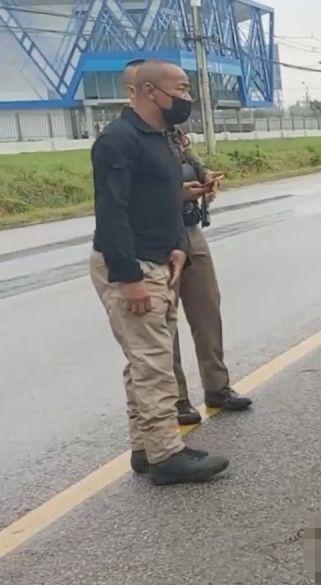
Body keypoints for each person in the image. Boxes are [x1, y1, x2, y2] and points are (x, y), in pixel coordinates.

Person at [89, 59, 228, 485]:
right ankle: (167, 455)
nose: (187, 97)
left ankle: (145, 449)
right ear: (150, 91)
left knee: (145, 361)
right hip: (134, 265)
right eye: (181, 89)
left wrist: (179, 247)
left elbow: (163, 197)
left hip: (162, 258)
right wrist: (128, 276)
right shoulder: (118, 140)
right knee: (153, 364)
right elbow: (111, 213)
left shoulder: (164, 138)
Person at [122, 60, 253, 431]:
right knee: (165, 321)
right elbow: (136, 194)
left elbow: (189, 161)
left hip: (190, 231)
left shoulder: (171, 131)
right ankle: (177, 398)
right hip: (157, 238)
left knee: (207, 309)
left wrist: (205, 178)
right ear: (138, 90)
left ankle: (217, 386)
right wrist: (178, 193)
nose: (183, 97)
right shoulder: (126, 137)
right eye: (178, 89)